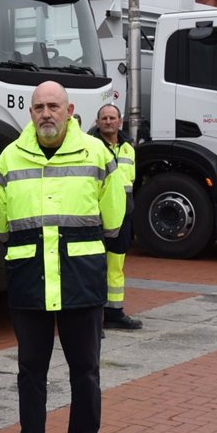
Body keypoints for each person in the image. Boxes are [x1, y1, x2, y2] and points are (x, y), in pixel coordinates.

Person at [0, 81, 124, 433]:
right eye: (38, 107)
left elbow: (114, 219)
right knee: (31, 370)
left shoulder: (97, 152)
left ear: (70, 111)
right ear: (30, 113)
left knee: (85, 370)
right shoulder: (10, 158)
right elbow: (2, 225)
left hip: (80, 281)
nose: (46, 113)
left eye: (54, 106)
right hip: (30, 279)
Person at [92, 104, 142, 330]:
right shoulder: (90, 147)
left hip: (123, 218)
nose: (109, 121)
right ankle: (92, 320)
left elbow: (130, 183)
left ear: (120, 121)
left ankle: (114, 314)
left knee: (116, 266)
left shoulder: (128, 148)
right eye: (104, 118)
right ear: (98, 121)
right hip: (97, 218)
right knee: (93, 268)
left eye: (112, 118)